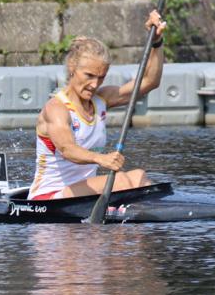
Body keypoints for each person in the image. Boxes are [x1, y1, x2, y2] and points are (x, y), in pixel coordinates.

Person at [27, 13, 167, 200]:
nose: (95, 84)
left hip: (82, 195)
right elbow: (68, 150)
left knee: (139, 176)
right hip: (49, 197)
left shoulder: (101, 99)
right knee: (126, 181)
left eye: (101, 77)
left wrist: (156, 42)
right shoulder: (56, 109)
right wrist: (101, 158)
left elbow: (149, 81)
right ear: (72, 67)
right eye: (89, 75)